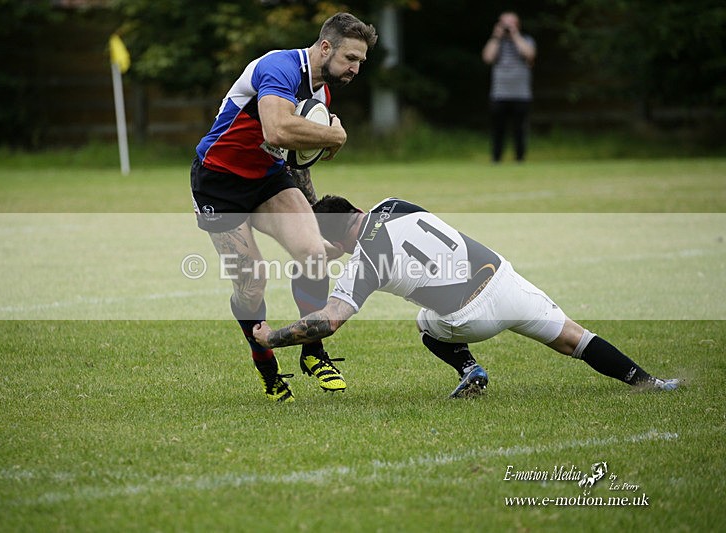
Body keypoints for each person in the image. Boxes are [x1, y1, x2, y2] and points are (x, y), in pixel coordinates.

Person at [253, 195, 680, 397]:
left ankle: (470, 368)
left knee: (425, 325)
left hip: (469, 318)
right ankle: (651, 382)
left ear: (337, 241)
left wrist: (272, 337)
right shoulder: (393, 204)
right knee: (575, 338)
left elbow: (328, 320)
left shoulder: (364, 264)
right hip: (505, 282)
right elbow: (367, 235)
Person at [190, 13, 377, 403]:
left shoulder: (322, 94)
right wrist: (334, 136)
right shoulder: (280, 67)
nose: (355, 68)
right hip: (218, 181)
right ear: (325, 47)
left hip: (268, 179)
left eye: (360, 61)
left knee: (312, 254)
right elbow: (276, 130)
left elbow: (292, 162)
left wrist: (312, 219)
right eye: (350, 58)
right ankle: (268, 369)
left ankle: (314, 353)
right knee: (252, 280)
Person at [482, 11, 536, 163]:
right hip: (499, 93)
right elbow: (487, 57)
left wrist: (515, 35)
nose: (507, 27)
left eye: (510, 23)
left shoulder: (526, 40)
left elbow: (530, 55)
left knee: (520, 129)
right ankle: (496, 158)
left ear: (517, 25)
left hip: (521, 93)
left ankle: (520, 158)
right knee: (498, 129)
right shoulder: (496, 43)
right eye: (504, 23)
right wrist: (496, 37)